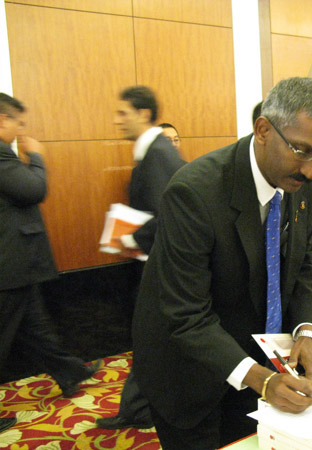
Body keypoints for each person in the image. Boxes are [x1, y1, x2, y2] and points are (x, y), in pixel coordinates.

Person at [131, 77, 312, 449]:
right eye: (301, 151)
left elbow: (304, 261)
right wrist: (261, 379)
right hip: (190, 373)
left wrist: (307, 331)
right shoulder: (194, 192)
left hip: (256, 361)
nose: (311, 170)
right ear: (263, 130)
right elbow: (186, 314)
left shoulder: (300, 179)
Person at [96, 87, 185, 430]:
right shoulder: (152, 152)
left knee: (151, 340)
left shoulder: (158, 154)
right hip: (156, 264)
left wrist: (132, 238)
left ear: (143, 114)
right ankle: (139, 408)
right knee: (153, 341)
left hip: (164, 268)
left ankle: (140, 409)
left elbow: (168, 213)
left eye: (123, 113)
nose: (116, 120)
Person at [0, 93, 99, 399]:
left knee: (35, 328)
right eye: (18, 123)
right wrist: (36, 157)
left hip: (15, 266)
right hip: (9, 266)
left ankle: (69, 372)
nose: (21, 131)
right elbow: (34, 188)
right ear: (2, 119)